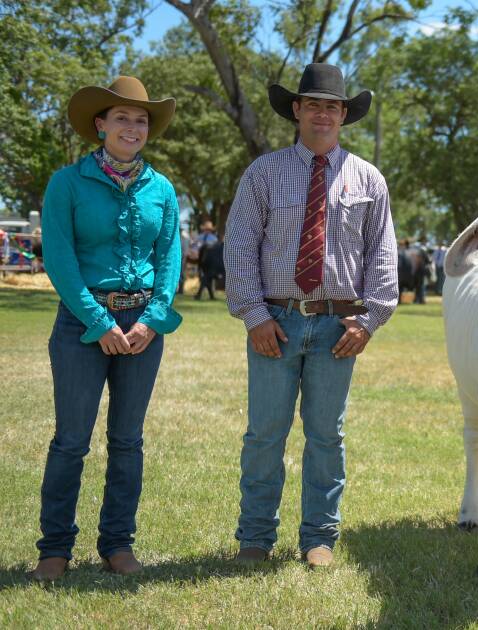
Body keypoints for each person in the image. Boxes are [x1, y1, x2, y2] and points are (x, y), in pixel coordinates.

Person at [224, 63, 398, 569]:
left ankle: (318, 538)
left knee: (327, 435)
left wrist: (368, 321)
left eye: (333, 106)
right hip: (275, 322)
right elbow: (239, 247)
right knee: (264, 434)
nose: (324, 113)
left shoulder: (368, 179)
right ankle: (255, 537)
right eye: (314, 104)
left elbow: (381, 256)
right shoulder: (263, 173)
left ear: (344, 115)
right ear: (296, 110)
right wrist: (254, 315)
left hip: (336, 327)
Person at [31, 76, 182, 580]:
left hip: (141, 326)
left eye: (141, 120)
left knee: (127, 441)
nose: (132, 127)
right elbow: (59, 258)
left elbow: (169, 259)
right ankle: (54, 550)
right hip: (81, 321)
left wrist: (153, 320)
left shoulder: (161, 189)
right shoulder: (66, 184)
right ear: (101, 126)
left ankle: (118, 544)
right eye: (122, 118)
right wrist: (98, 322)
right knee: (71, 440)